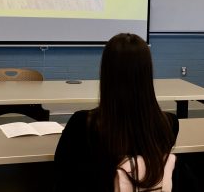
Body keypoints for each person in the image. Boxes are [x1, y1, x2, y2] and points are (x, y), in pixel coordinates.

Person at [53, 33, 188, 191]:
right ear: (147, 73)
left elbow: (62, 179)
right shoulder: (169, 124)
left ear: (106, 73)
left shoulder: (82, 124)